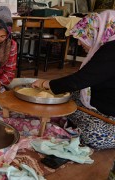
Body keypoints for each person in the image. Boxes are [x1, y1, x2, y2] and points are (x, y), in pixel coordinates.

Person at [32, 10, 115, 149]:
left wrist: (46, 83)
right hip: (102, 101)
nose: (78, 43)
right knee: (66, 97)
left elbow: (81, 80)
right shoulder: (108, 46)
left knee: (92, 134)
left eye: (83, 37)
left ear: (96, 32)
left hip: (110, 114)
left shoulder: (112, 50)